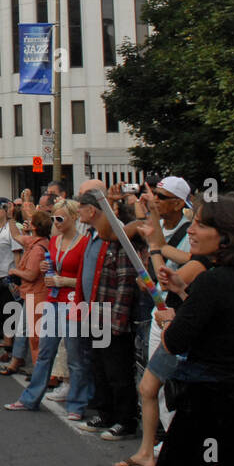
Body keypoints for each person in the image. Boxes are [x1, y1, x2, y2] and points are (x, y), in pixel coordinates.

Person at [147, 199, 234, 466]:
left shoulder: (212, 281)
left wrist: (169, 320)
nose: (192, 230)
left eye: (201, 224)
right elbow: (222, 323)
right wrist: (181, 291)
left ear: (226, 235)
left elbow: (175, 342)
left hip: (208, 404)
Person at [114, 177, 197, 466]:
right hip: (158, 315)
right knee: (154, 387)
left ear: (178, 202)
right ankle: (159, 448)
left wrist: (160, 256)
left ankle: (178, 448)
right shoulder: (161, 227)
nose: (155, 200)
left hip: (180, 317)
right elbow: (151, 252)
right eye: (154, 196)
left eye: (161, 196)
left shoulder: (191, 233)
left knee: (174, 387)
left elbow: (187, 265)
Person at [6, 198, 90, 416]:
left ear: (74, 218)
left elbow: (86, 278)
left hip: (73, 303)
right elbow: (52, 267)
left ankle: (76, 405)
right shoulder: (54, 242)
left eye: (60, 218)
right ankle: (30, 398)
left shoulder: (84, 243)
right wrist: (47, 267)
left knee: (75, 357)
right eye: (54, 218)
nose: (56, 222)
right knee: (45, 353)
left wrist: (65, 281)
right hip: (53, 302)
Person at [76, 189, 143, 441]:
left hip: (113, 316)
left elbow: (126, 282)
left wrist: (117, 319)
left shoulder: (121, 240)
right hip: (95, 311)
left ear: (94, 211)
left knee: (118, 371)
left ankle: (125, 420)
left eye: (81, 206)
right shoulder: (95, 235)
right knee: (100, 368)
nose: (78, 211)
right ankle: (105, 413)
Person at [4, 209, 52, 375]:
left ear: (34, 226)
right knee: (25, 329)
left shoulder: (37, 249)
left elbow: (31, 275)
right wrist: (10, 217)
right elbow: (16, 236)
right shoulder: (37, 242)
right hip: (33, 293)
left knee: (34, 334)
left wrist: (14, 272)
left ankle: (37, 369)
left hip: (36, 294)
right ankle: (17, 360)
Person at [0, 199, 21, 353]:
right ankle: (5, 337)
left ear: (6, 211)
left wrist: (18, 276)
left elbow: (17, 253)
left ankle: (9, 342)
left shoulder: (12, 229)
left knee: (9, 309)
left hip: (8, 274)